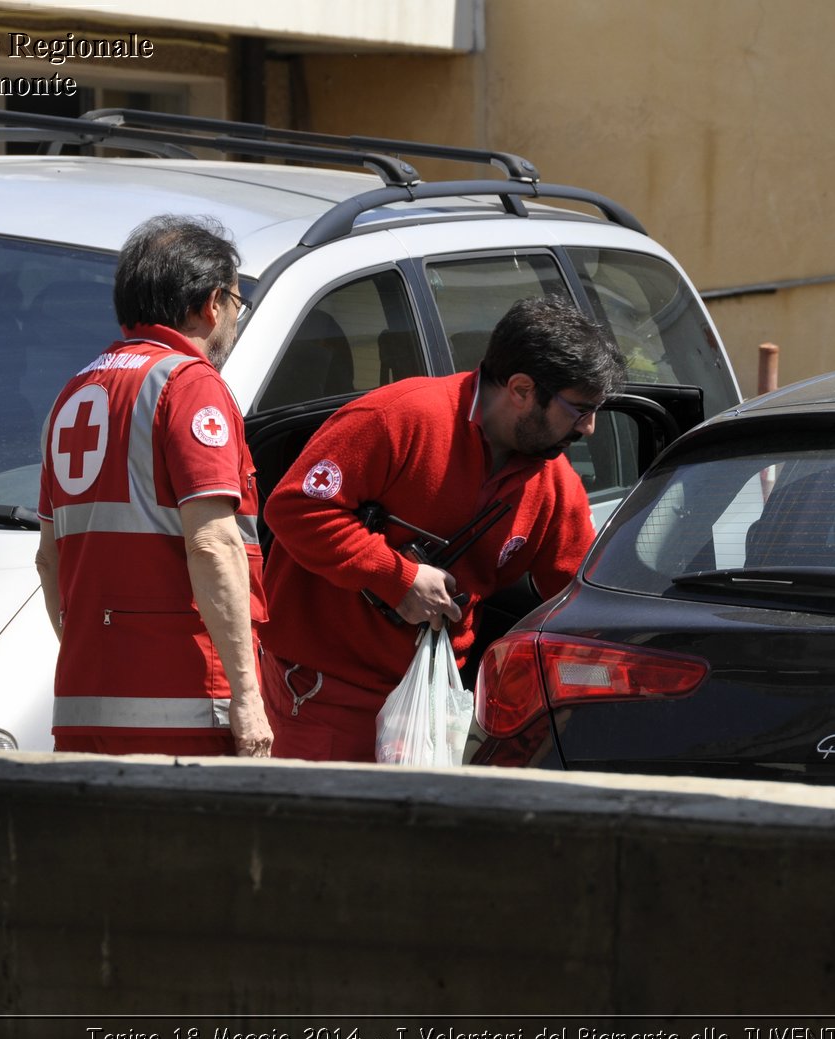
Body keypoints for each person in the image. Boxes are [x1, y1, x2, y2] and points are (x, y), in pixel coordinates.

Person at [260, 294, 626, 761]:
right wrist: (398, 577)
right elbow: (294, 509)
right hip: (322, 700)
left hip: (434, 712)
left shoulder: (555, 484)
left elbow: (577, 600)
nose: (590, 428)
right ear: (520, 389)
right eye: (580, 409)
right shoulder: (399, 419)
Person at [35, 215, 273, 757]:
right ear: (213, 303)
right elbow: (213, 543)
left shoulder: (73, 393)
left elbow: (49, 561)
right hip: (183, 702)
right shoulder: (189, 385)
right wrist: (247, 696)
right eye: (238, 303)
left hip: (83, 703)